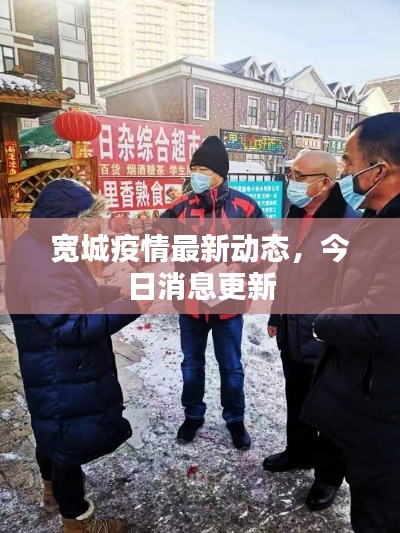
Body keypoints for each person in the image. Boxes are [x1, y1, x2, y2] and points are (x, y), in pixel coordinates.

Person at [5, 178, 150, 533]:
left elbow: (76, 291)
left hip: (51, 365)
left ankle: (51, 494)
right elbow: (71, 325)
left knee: (51, 433)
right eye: (84, 224)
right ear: (65, 220)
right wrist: (133, 304)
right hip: (60, 369)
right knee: (66, 446)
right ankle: (77, 522)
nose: (87, 232)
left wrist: (116, 291)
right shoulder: (42, 263)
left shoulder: (43, 245)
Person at [302, 113, 400, 532]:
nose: (344, 169)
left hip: (384, 409)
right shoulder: (377, 218)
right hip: (363, 394)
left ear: (379, 170)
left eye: (348, 160)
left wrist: (323, 319)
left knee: (378, 515)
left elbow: (379, 322)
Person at [263, 150, 359, 511]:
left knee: (330, 409)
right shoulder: (296, 214)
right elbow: (284, 270)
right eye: (292, 174)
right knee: (297, 397)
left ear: (325, 183)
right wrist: (276, 315)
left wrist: (336, 330)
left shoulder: (350, 223)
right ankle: (299, 452)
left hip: (326, 335)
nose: (293, 181)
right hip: (293, 328)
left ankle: (328, 476)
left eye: (300, 176)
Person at [161, 136, 265, 450]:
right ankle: (193, 415)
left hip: (228, 306)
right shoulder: (179, 207)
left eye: (204, 170)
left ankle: (235, 419)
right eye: (194, 168)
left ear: (220, 174)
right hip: (190, 304)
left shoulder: (245, 207)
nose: (197, 175)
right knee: (191, 365)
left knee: (231, 367)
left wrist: (240, 266)